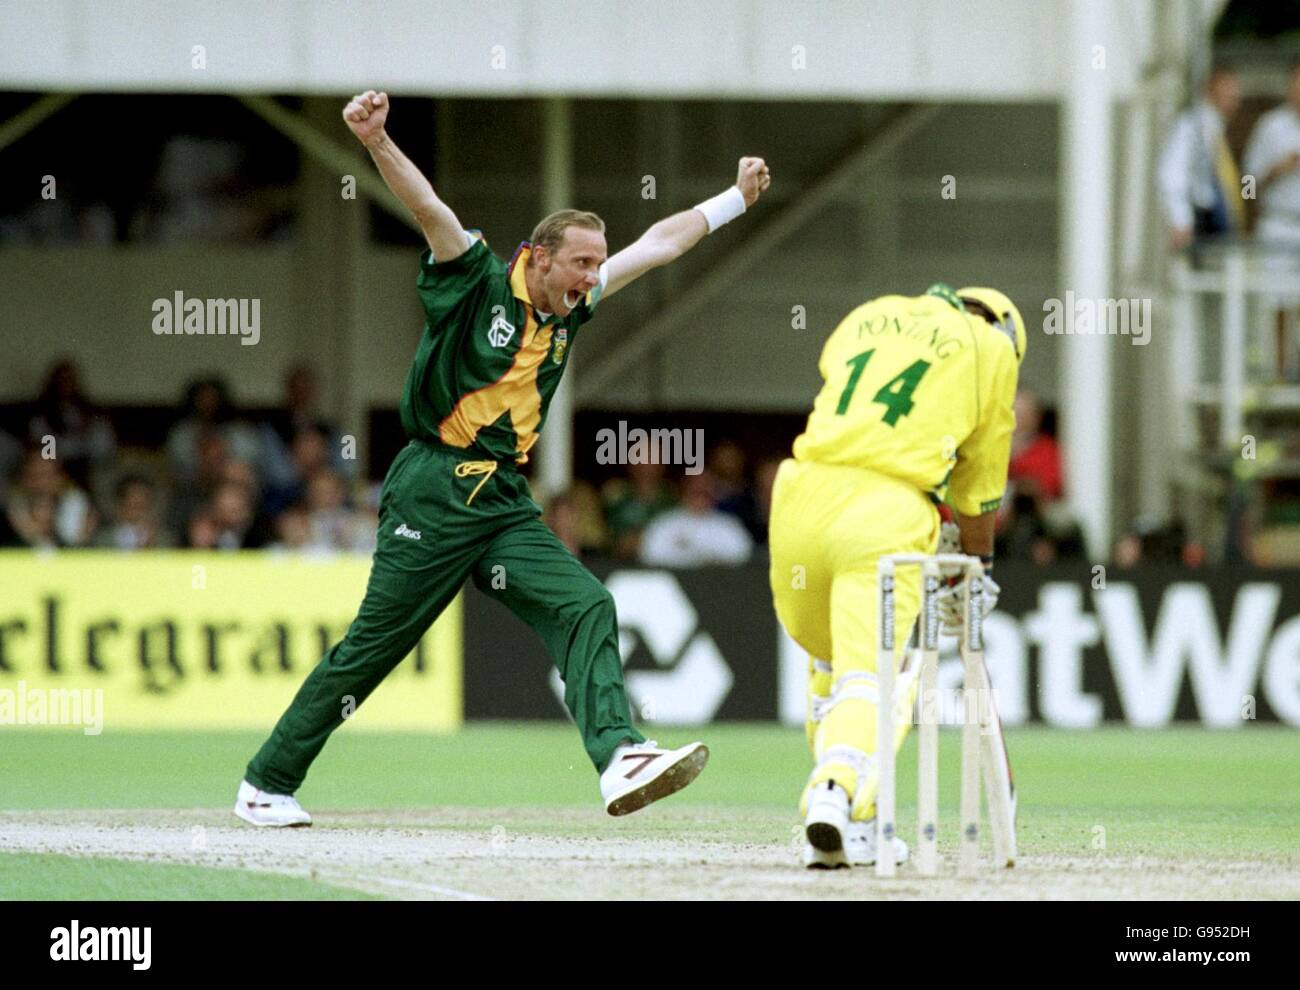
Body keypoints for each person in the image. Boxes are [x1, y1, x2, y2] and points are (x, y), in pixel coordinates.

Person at [234, 90, 770, 827]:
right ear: (539, 257)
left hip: (499, 502)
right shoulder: (477, 277)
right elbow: (431, 212)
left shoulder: (574, 303)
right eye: (581, 262)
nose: (592, 276)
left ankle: (619, 756)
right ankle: (266, 781)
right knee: (372, 650)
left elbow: (662, 241)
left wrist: (734, 200)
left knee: (586, 602)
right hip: (433, 488)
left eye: (597, 265)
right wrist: (377, 142)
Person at [767, 283, 1024, 868]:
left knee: (831, 668)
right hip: (885, 512)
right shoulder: (992, 349)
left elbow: (846, 391)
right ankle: (832, 789)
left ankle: (859, 826)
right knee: (883, 675)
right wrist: (974, 569)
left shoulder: (870, 311)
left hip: (799, 497)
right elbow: (979, 486)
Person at [1243, 62, 1300, 381]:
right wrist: (1277, 170)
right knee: (1279, 302)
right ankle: (1280, 373)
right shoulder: (1271, 127)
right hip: (1279, 223)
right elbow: (1246, 184)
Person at [1157, 65, 1244, 251]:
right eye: (1228, 89)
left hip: (1215, 220)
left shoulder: (1215, 127)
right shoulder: (1193, 125)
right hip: (1201, 220)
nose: (1234, 96)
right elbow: (1172, 172)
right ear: (1210, 88)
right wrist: (1181, 219)